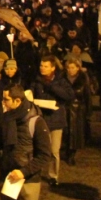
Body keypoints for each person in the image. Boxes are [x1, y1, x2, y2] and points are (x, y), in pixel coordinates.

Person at [0, 85, 53, 200]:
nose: (3, 103)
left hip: (29, 180)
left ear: (17, 101)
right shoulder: (7, 118)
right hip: (8, 177)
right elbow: (2, 145)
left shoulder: (36, 122)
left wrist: (24, 171)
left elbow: (45, 155)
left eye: (6, 100)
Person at [30, 55, 75, 185]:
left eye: (45, 66)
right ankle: (35, 172)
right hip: (41, 119)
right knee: (38, 148)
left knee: (54, 150)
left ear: (52, 68)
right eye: (41, 66)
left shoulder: (61, 81)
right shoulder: (36, 81)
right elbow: (31, 94)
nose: (42, 68)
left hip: (56, 119)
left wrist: (51, 87)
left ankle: (53, 175)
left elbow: (69, 95)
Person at [64, 55, 93, 164]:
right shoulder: (63, 78)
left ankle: (71, 154)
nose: (70, 70)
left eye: (73, 67)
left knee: (75, 133)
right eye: (69, 68)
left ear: (78, 68)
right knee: (67, 132)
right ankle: (67, 151)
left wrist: (89, 111)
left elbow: (87, 95)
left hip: (78, 110)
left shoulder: (83, 78)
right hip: (66, 108)